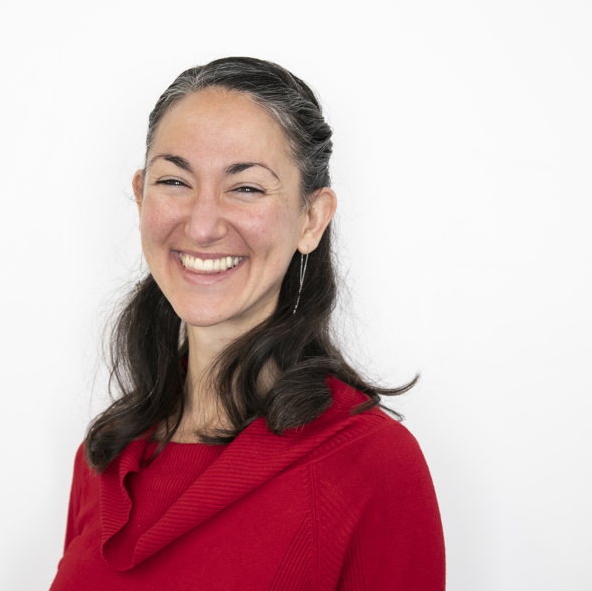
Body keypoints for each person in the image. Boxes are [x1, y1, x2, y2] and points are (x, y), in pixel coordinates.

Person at [50, 57, 445, 590]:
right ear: (141, 197)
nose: (203, 223)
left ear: (311, 219)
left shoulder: (372, 465)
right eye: (175, 180)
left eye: (247, 188)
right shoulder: (105, 455)